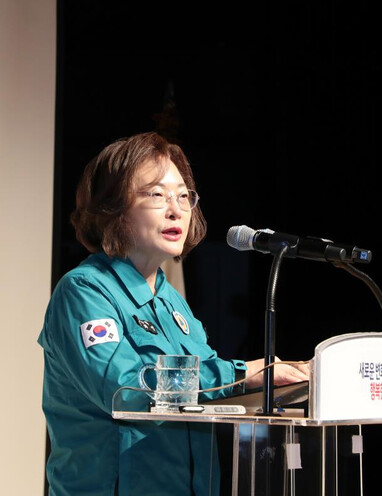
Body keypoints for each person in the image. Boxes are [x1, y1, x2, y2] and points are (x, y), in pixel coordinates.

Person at [37, 131, 309, 496]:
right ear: (112, 207)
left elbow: (205, 387)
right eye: (156, 194)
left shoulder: (171, 300)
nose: (176, 209)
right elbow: (125, 390)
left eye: (183, 196)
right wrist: (243, 374)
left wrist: (282, 381)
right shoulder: (84, 291)